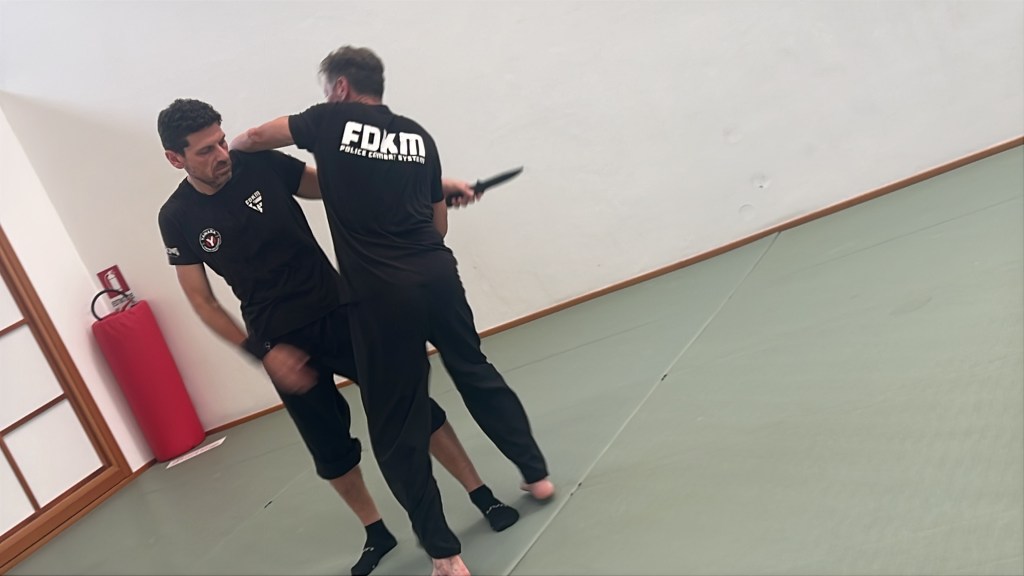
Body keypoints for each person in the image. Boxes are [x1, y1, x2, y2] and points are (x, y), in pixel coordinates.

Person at [156, 98, 518, 576]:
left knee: (410, 409)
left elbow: (341, 184)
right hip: (278, 341)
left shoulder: (260, 164)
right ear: (175, 158)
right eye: (205, 150)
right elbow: (202, 300)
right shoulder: (176, 216)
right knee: (329, 448)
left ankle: (481, 493)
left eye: (222, 141)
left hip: (342, 310)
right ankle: (376, 531)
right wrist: (261, 353)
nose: (222, 154)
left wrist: (427, 188)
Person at [231, 46, 554, 576]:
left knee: (396, 420)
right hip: (437, 277)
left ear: (339, 87)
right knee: (475, 371)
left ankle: (444, 553)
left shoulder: (329, 120)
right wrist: (432, 200)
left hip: (381, 296)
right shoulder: (417, 136)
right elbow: (438, 226)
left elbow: (255, 136)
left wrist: (235, 149)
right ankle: (536, 475)